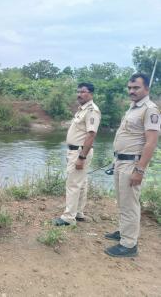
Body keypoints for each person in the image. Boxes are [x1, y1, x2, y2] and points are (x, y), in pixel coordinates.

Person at [105, 73, 160, 257]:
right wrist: (116, 160)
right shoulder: (132, 108)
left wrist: (140, 169)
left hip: (132, 164)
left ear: (146, 89)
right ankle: (124, 232)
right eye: (129, 88)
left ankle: (129, 245)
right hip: (121, 161)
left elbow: (151, 142)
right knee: (122, 201)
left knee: (130, 203)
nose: (131, 91)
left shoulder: (150, 109)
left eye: (136, 87)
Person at [53, 83, 101, 226]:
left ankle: (68, 218)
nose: (79, 94)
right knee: (81, 183)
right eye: (78, 91)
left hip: (80, 152)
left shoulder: (92, 110)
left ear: (91, 94)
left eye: (83, 92)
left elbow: (91, 135)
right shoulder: (82, 109)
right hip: (76, 150)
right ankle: (78, 212)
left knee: (73, 184)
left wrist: (81, 157)